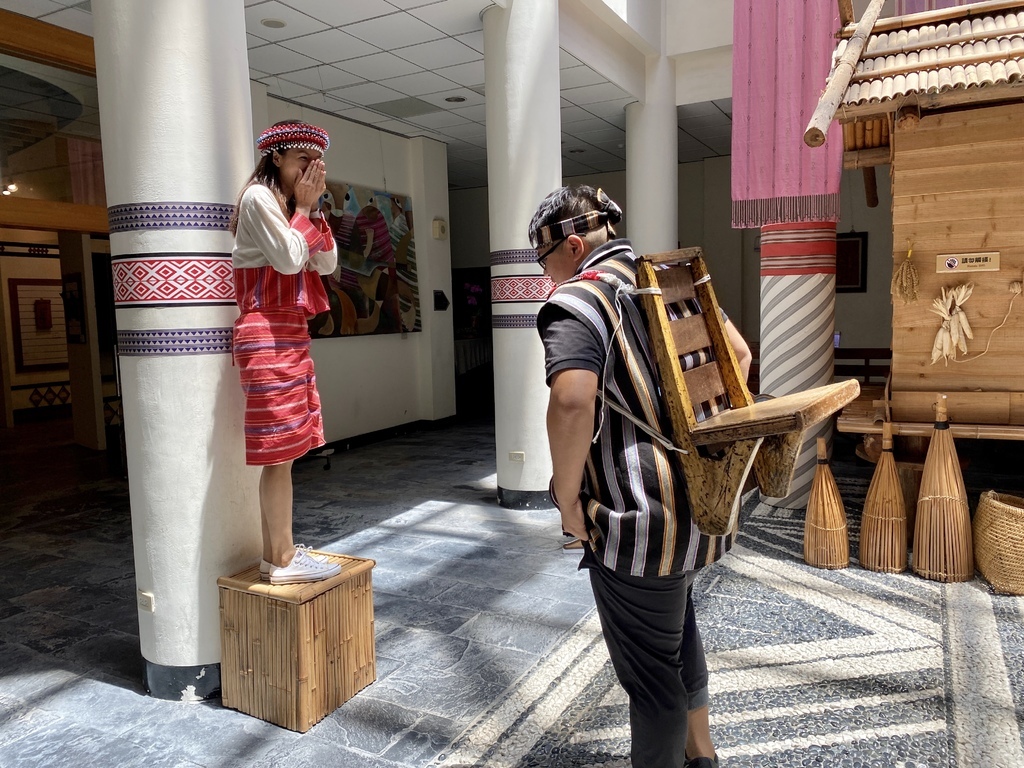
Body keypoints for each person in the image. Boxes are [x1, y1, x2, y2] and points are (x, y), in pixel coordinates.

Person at [531, 185, 752, 768]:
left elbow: (573, 400)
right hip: (701, 504)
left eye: (544, 260)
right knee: (676, 632)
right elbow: (741, 357)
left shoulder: (579, 300)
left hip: (637, 519)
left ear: (573, 245)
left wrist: (566, 496)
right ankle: (701, 754)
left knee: (651, 678)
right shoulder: (673, 282)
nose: (545, 274)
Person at [229, 120, 342, 585]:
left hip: (290, 332)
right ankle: (280, 560)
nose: (310, 172)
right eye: (302, 162)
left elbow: (329, 262)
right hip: (265, 331)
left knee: (289, 451)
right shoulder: (258, 198)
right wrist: (304, 208)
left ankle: (279, 555)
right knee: (279, 451)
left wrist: (309, 212)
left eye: (316, 165)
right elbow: (291, 259)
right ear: (276, 157)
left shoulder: (294, 206)